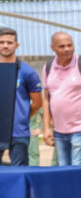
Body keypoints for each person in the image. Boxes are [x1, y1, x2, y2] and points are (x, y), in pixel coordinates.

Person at [41, 31, 81, 166]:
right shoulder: (48, 68)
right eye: (62, 46)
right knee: (64, 171)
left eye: (70, 45)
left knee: (78, 169)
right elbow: (46, 99)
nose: (67, 49)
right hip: (59, 131)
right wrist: (46, 128)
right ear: (53, 48)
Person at [0, 27, 42, 166]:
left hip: (19, 132)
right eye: (2, 42)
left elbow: (37, 103)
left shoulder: (27, 72)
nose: (5, 45)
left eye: (9, 42)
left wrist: (22, 116)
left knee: (19, 171)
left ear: (16, 45)